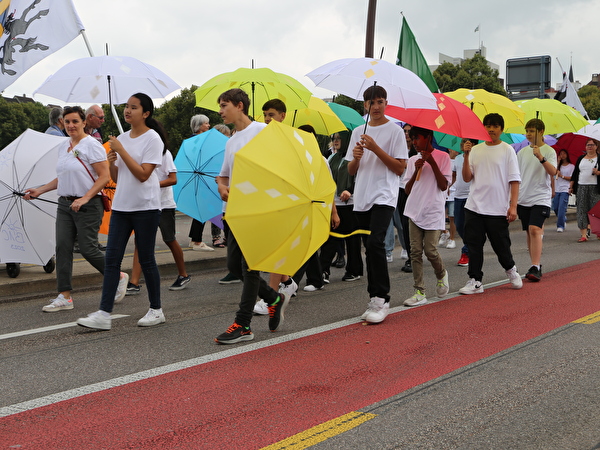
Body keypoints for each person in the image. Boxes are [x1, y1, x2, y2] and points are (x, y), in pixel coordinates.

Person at [24, 106, 128, 312]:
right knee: (62, 248)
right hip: (65, 203)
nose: (71, 125)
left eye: (75, 121)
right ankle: (64, 296)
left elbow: (105, 177)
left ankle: (118, 276)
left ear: (83, 123)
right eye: (67, 122)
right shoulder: (64, 146)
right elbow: (62, 177)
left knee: (89, 249)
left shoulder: (92, 145)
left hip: (89, 204)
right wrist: (40, 190)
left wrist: (85, 197)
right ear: (62, 123)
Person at [76, 93, 166, 330]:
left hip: (145, 207)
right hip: (122, 207)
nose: (127, 110)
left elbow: (144, 174)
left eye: (133, 107)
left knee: (146, 259)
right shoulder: (123, 138)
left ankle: (156, 309)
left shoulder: (152, 139)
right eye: (126, 106)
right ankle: (104, 314)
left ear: (145, 113)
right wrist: (113, 161)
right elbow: (117, 178)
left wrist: (122, 151)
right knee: (112, 260)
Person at [215, 88, 289, 344]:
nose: (221, 110)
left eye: (224, 105)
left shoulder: (262, 131)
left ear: (239, 105)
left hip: (256, 210)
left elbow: (279, 166)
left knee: (250, 267)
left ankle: (243, 323)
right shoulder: (231, 140)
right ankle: (273, 298)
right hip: (233, 210)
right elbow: (223, 175)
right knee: (234, 266)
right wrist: (222, 186)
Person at [346, 85, 408, 323]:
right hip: (362, 197)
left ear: (386, 103)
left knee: (375, 243)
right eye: (372, 103)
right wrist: (357, 157)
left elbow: (400, 168)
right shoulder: (357, 132)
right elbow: (351, 169)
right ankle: (374, 298)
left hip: (384, 195)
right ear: (365, 105)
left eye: (381, 102)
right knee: (369, 249)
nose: (377, 107)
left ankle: (382, 298)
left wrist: (375, 148)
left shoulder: (395, 131)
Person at [458, 113, 522, 295]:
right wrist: (466, 155)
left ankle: (511, 269)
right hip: (474, 206)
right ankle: (475, 280)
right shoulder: (475, 150)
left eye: (495, 126)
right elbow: (467, 177)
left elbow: (514, 180)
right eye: (487, 126)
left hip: (497, 208)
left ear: (501, 129)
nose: (491, 129)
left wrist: (513, 206)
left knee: (501, 245)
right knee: (474, 245)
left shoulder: (507, 150)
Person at [253, 99, 297, 315]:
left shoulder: (290, 139)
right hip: (267, 197)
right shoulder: (262, 138)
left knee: (275, 247)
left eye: (271, 114)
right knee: (270, 246)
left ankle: (271, 294)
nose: (267, 119)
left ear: (283, 115)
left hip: (285, 199)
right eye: (264, 115)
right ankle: (287, 282)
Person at [126, 147, 191, 294]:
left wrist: (152, 185)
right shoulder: (139, 152)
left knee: (169, 239)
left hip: (164, 205)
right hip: (145, 204)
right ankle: (134, 282)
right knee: (140, 241)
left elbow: (173, 179)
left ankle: (183, 275)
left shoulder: (164, 153)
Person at [402, 127, 451, 306]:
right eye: (412, 138)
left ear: (428, 138)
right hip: (414, 211)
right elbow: (407, 190)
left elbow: (443, 185)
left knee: (430, 250)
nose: (414, 142)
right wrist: (416, 170)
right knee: (415, 252)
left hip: (433, 211)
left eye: (417, 138)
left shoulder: (443, 157)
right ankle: (419, 291)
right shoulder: (413, 159)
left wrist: (432, 162)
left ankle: (441, 274)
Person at [320, 130, 363, 284]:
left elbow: (360, 178)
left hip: (350, 203)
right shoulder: (332, 157)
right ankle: (323, 271)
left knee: (352, 240)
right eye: (334, 138)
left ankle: (354, 270)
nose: (336, 141)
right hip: (335, 203)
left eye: (339, 138)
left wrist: (349, 191)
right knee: (330, 238)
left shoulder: (354, 158)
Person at [516, 119, 557, 282]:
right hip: (523, 197)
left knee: (535, 229)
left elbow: (553, 171)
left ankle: (536, 265)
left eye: (531, 131)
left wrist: (540, 157)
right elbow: (516, 175)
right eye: (527, 131)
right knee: (529, 231)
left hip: (540, 197)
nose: (528, 134)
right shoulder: (521, 153)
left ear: (541, 132)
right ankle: (534, 265)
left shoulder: (549, 151)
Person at [187, 114, 222, 251]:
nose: (208, 126)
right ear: (199, 125)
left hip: (200, 178)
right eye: (206, 123)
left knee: (201, 209)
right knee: (203, 209)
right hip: (200, 179)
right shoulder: (196, 141)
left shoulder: (195, 140)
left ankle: (195, 239)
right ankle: (196, 241)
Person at [569, 138, 600, 242]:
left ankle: (598, 231)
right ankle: (583, 234)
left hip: (595, 187)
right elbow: (575, 173)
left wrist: (598, 173)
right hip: (581, 186)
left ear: (596, 147)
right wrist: (571, 186)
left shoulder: (599, 158)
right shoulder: (581, 158)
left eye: (592, 145)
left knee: (595, 210)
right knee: (581, 209)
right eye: (588, 145)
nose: (590, 147)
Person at [453, 139, 477, 267]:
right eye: (462, 142)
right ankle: (471, 246)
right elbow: (454, 175)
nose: (462, 144)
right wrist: (447, 187)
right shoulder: (457, 158)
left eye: (465, 142)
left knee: (469, 226)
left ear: (473, 144)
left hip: (472, 196)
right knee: (459, 224)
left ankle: (466, 251)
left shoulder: (477, 157)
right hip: (458, 196)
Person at [553, 149, 574, 232]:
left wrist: (562, 176)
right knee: (555, 207)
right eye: (561, 154)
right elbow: (553, 173)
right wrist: (558, 163)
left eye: (564, 153)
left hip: (565, 189)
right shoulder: (557, 166)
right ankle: (563, 218)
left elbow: (572, 178)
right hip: (556, 188)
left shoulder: (571, 166)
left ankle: (560, 225)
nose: (563, 155)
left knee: (562, 207)